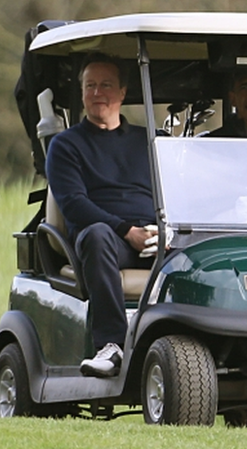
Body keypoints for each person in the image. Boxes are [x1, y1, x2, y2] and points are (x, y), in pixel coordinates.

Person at [44, 52, 156, 378]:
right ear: (81, 93)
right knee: (95, 234)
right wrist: (127, 230)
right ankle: (112, 345)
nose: (97, 93)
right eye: (90, 85)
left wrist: (164, 232)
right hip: (109, 240)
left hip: (155, 237)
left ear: (122, 93)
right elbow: (74, 205)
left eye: (106, 85)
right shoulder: (66, 145)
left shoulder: (150, 142)